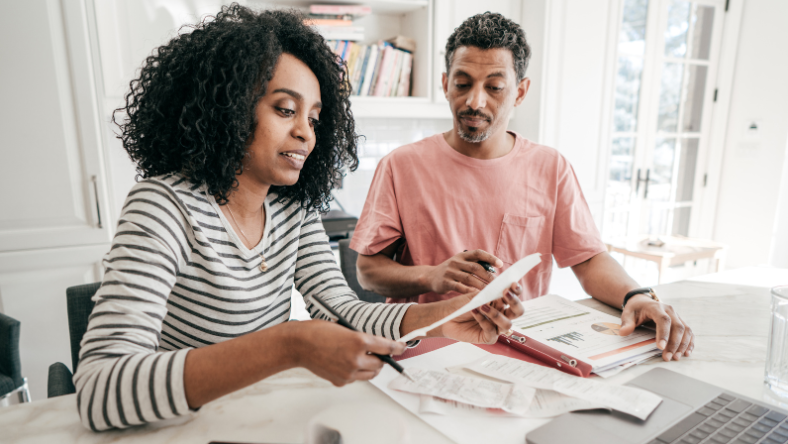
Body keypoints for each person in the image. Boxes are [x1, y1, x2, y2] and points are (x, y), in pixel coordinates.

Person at [74, 5, 525, 432]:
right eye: (285, 110)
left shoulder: (293, 207)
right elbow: (98, 388)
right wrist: (289, 344)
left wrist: (445, 317)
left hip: (262, 417)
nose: (305, 133)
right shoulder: (164, 206)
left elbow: (341, 311)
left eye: (314, 117)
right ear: (226, 107)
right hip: (184, 428)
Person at [351, 12, 694, 363]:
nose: (475, 102)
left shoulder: (551, 167)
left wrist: (636, 296)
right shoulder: (400, 165)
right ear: (445, 83)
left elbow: (589, 260)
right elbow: (368, 271)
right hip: (422, 354)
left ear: (521, 92)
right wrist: (432, 276)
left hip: (517, 355)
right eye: (463, 83)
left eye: (494, 87)